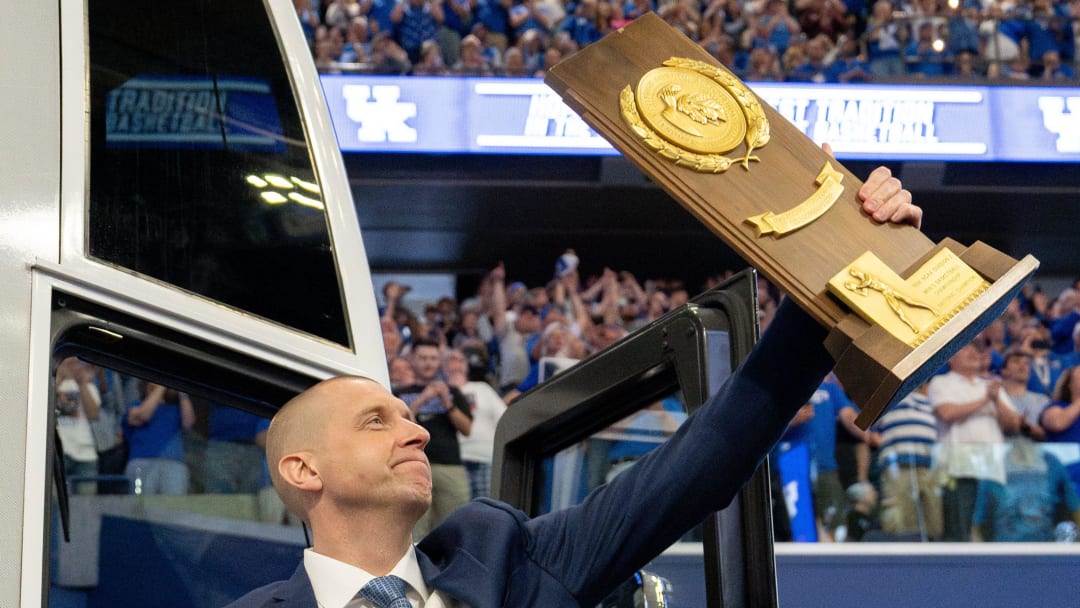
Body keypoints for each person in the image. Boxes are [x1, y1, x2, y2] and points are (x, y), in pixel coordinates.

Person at [226, 167, 922, 607]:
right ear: (301, 468)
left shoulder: (512, 559)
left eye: (408, 415)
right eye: (377, 421)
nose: (413, 430)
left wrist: (838, 262)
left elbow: (712, 451)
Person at [930, 340, 1021, 541]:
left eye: (975, 348)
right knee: (960, 532)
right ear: (951, 358)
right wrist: (985, 400)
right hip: (958, 470)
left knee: (993, 533)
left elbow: (1013, 425)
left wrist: (996, 399)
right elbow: (947, 412)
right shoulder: (942, 383)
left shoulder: (992, 387)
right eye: (966, 347)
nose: (973, 352)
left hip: (993, 470)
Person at [393, 337, 474, 537]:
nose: (428, 363)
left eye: (432, 358)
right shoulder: (398, 393)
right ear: (411, 359)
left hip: (450, 466)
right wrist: (422, 400)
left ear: (439, 361)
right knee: (414, 531)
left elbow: (467, 428)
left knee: (453, 528)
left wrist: (446, 401)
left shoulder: (452, 392)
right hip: (412, 465)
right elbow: (397, 426)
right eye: (422, 358)